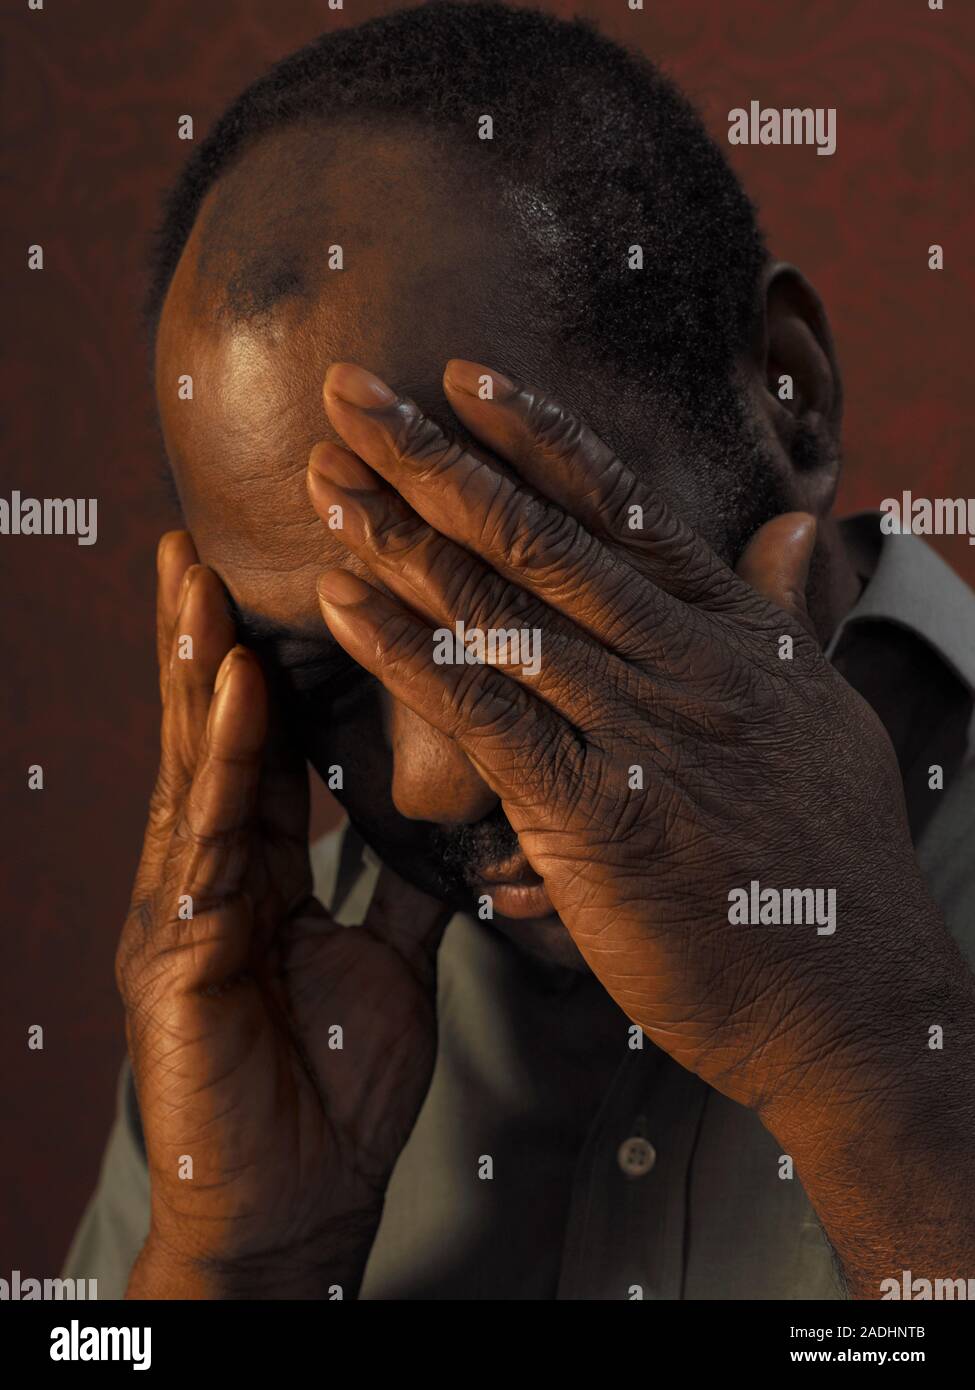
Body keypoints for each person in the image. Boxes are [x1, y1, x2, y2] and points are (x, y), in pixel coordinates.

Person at [64, 1, 975, 1300]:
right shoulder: (273, 980)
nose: (434, 779)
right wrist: (231, 1258)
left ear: (787, 393)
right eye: (327, 671)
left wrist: (869, 1063)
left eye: (517, 595)